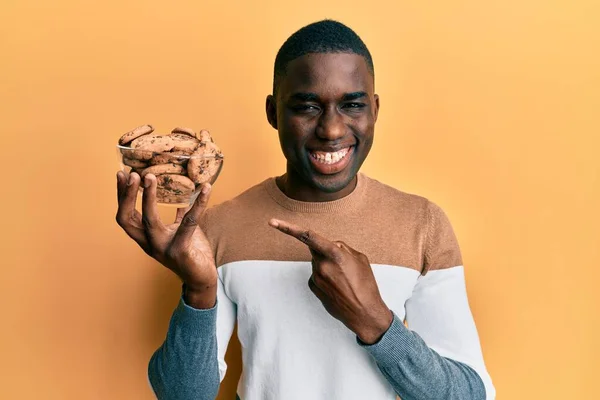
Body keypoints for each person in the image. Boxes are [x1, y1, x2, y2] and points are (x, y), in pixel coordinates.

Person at [116, 19, 495, 400]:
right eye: (308, 106)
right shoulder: (216, 227)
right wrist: (198, 289)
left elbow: (470, 394)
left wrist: (375, 321)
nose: (331, 130)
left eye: (352, 105)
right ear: (273, 112)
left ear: (375, 109)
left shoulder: (423, 225)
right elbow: (183, 395)